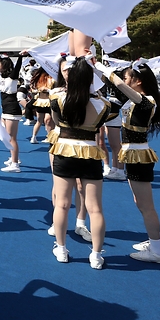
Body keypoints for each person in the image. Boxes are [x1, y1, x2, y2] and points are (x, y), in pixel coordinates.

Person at [48, 31, 113, 269]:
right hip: (90, 152)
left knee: (61, 204)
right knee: (95, 208)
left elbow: (56, 120)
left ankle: (62, 248)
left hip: (65, 150)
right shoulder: (103, 104)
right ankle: (96, 254)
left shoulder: (57, 96)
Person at [94, 61, 160, 263]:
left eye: (128, 78)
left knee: (146, 206)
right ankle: (158, 243)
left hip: (138, 154)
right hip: (134, 154)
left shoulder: (146, 101)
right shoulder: (134, 100)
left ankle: (157, 252)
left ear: (138, 81)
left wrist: (104, 68)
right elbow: (113, 91)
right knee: (141, 203)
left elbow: (118, 85)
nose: (125, 81)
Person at [0, 54, 24, 172]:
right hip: (5, 109)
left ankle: (15, 164)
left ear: (4, 65)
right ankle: (13, 157)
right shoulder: (1, 77)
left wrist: (21, 57)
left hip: (12, 110)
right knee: (9, 137)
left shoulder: (13, 76)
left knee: (11, 137)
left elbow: (17, 67)